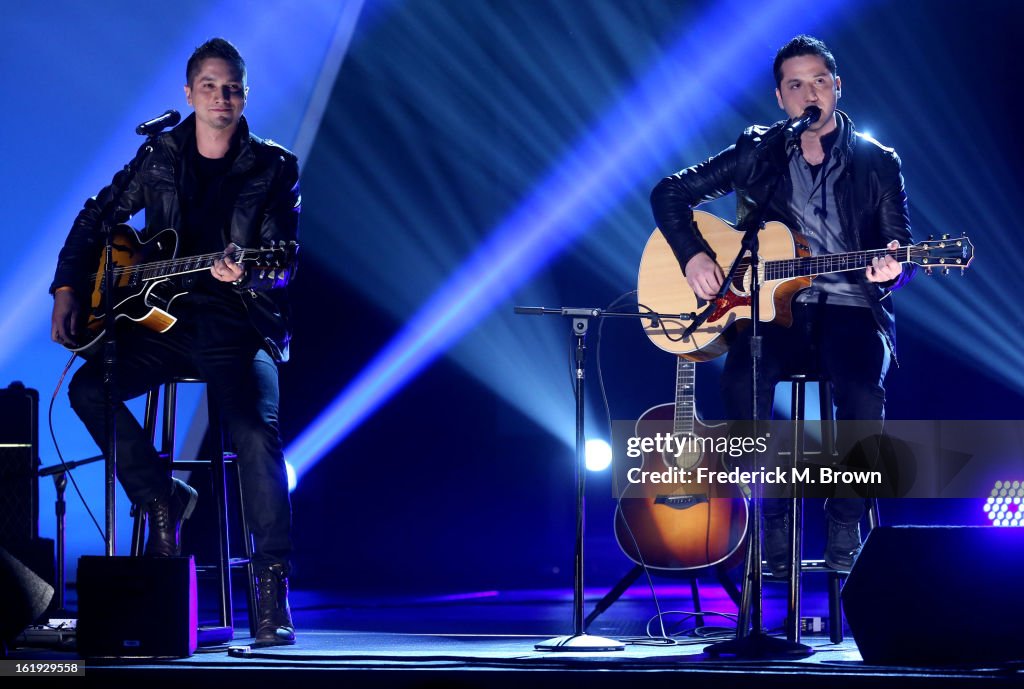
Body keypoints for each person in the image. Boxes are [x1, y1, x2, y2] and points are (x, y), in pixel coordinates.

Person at [50, 38, 300, 647]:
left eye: (233, 86)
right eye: (211, 86)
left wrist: (249, 270)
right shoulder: (158, 154)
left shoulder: (274, 166)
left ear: (246, 94)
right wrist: (65, 289)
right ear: (189, 93)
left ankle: (269, 588)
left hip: (240, 327)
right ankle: (160, 497)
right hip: (161, 324)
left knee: (254, 433)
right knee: (88, 388)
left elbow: (284, 259)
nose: (223, 96)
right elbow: (97, 215)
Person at [650, 35, 914, 575]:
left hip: (850, 306)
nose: (808, 93)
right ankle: (771, 515)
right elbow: (670, 192)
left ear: (836, 86)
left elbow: (898, 251)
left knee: (862, 388)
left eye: (819, 80)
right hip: (769, 310)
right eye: (795, 85)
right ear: (780, 98)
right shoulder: (758, 151)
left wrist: (895, 267)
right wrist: (695, 256)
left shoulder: (876, 162)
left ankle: (846, 518)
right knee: (742, 375)